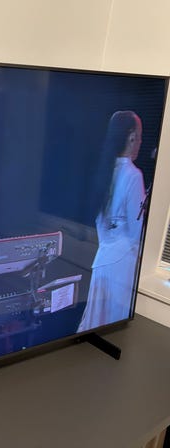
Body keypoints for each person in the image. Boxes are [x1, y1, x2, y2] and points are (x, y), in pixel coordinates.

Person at [78, 111, 145, 332]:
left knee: (95, 325)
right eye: (140, 136)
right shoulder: (133, 175)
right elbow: (136, 233)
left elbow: (101, 224)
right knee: (114, 327)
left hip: (102, 259)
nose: (140, 142)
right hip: (123, 264)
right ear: (132, 137)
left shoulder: (105, 172)